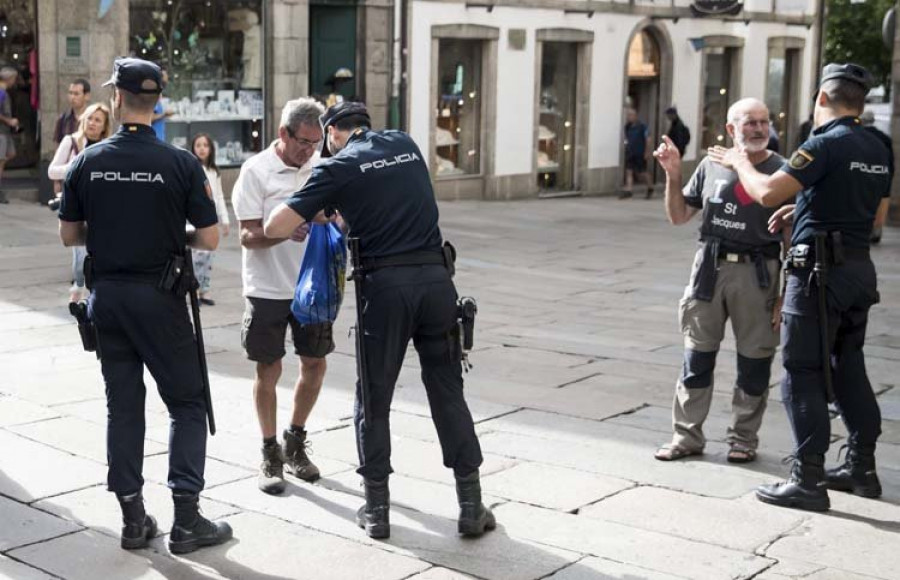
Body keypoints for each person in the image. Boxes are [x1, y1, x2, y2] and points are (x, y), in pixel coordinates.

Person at [264, 101, 496, 540]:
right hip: (436, 283)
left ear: (333, 133)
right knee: (448, 393)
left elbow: (277, 226)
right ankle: (470, 505)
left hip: (386, 292)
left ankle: (376, 511)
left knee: (373, 399)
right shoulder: (405, 144)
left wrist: (314, 201)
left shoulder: (337, 167)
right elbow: (387, 199)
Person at [57, 57, 232, 552]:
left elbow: (69, 233)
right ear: (158, 104)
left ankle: (133, 520)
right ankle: (186, 519)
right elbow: (213, 238)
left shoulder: (86, 162)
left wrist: (115, 233)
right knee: (187, 403)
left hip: (108, 298)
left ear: (116, 98)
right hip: (160, 297)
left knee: (124, 407)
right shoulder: (181, 164)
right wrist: (167, 235)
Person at [708, 63, 891, 512]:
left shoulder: (822, 144)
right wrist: (805, 210)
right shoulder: (879, 144)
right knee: (849, 367)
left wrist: (737, 162)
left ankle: (807, 478)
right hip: (858, 270)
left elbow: (768, 192)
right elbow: (875, 218)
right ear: (860, 101)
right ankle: (862, 469)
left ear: (823, 98)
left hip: (817, 276)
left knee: (802, 372)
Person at [652, 98, 789, 464]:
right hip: (709, 270)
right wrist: (673, 173)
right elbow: (679, 216)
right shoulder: (711, 165)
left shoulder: (782, 172)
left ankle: (743, 438)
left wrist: (785, 294)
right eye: (750, 122)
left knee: (755, 361)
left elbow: (792, 235)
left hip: (759, 273)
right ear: (731, 129)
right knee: (696, 357)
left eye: (764, 121)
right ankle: (686, 436)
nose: (760, 129)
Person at [232, 97, 330, 495]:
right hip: (267, 288)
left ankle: (295, 440)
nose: (309, 151)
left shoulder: (322, 169)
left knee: (315, 364)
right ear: (283, 134)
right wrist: (282, 232)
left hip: (312, 286)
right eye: (303, 142)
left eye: (316, 143)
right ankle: (270, 451)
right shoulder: (256, 171)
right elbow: (246, 236)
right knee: (268, 370)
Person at [48, 103, 113, 303]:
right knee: (80, 247)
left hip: (101, 204)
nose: (92, 123)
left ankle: (94, 290)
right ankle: (78, 285)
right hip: (77, 203)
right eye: (90, 118)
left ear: (104, 126)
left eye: (97, 120)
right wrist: (75, 167)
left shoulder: (108, 146)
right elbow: (52, 171)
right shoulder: (71, 141)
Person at [189, 133, 230, 305]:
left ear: (211, 149)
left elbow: (219, 196)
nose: (202, 149)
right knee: (195, 258)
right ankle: (193, 291)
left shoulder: (214, 171)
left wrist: (225, 219)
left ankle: (204, 292)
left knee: (208, 258)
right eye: (198, 145)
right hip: (194, 219)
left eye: (205, 145)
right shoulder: (191, 168)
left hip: (210, 220)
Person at [859, 110, 893, 244]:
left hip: (861, 174)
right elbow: (890, 160)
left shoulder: (858, 136)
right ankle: (876, 232)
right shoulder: (884, 137)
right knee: (879, 204)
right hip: (882, 174)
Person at [622, 108, 653, 199]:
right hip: (630, 152)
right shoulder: (627, 126)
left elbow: (648, 139)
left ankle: (650, 187)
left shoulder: (642, 126)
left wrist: (647, 152)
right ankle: (629, 190)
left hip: (640, 152)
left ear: (635, 116)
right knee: (629, 171)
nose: (629, 117)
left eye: (631, 115)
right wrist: (626, 145)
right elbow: (626, 138)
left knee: (642, 172)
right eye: (628, 115)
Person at [0, 66, 20, 204]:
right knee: (1, 162)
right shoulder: (1, 93)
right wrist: (9, 121)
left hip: (5, 132)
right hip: (1, 132)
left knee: (11, 154)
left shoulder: (4, 92)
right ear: (10, 79)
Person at [53, 79, 91, 144]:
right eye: (70, 93)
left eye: (76, 94)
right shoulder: (63, 119)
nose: (72, 97)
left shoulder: (92, 119)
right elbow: (58, 145)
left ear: (86, 96)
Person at [151, 67, 173, 142]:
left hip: (160, 139)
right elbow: (149, 118)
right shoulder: (152, 95)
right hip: (154, 140)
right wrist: (164, 114)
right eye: (164, 76)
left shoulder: (159, 95)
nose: (166, 80)